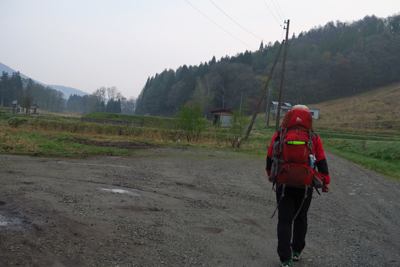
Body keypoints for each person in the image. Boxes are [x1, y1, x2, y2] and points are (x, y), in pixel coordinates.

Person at [266, 105, 331, 267]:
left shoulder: (280, 134)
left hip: (284, 182)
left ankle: (285, 259)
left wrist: (270, 175)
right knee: (301, 218)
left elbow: (270, 157)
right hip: (306, 185)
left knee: (285, 220)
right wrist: (326, 181)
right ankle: (297, 251)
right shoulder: (313, 137)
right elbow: (321, 160)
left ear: (289, 116)